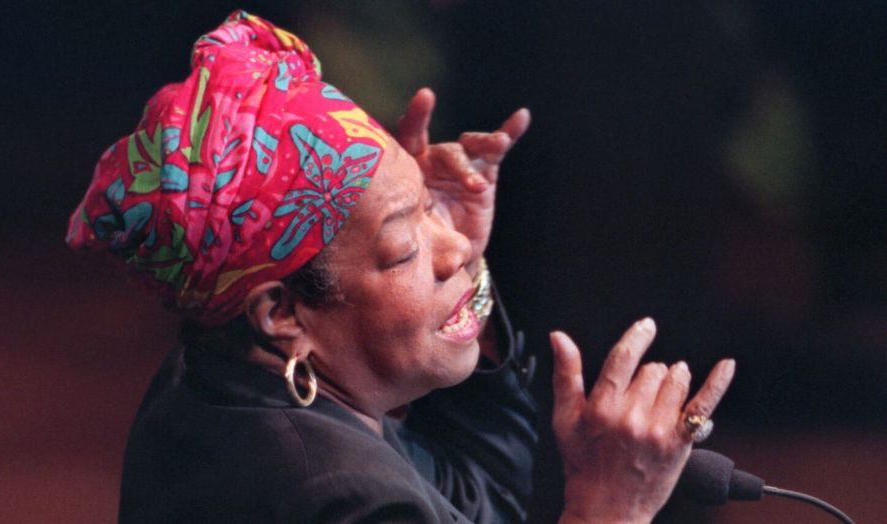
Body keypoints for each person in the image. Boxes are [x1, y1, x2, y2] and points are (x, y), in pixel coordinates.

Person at [67, 10, 735, 524]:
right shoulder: (342, 496)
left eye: (428, 209)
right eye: (404, 247)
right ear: (282, 312)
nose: (457, 248)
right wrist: (609, 511)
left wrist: (462, 283)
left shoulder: (215, 375)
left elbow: (479, 502)